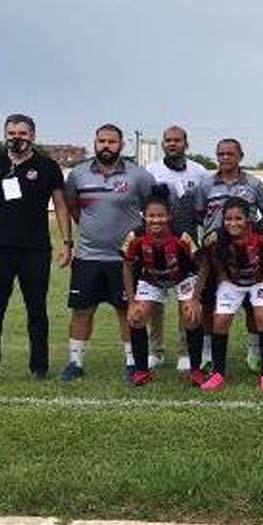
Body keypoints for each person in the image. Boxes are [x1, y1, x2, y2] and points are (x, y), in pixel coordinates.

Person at [0, 113, 73, 386]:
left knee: (37, 311)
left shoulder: (48, 167)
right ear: (5, 135)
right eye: (12, 133)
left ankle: (39, 368)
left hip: (35, 251)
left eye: (23, 133)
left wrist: (66, 242)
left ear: (33, 136)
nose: (17, 138)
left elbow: (61, 206)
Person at [60, 124, 155, 382]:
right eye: (101, 141)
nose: (106, 146)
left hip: (124, 261)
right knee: (81, 311)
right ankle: (75, 363)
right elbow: (73, 209)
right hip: (87, 257)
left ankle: (132, 363)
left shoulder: (139, 176)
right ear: (95, 143)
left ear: (122, 145)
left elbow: (153, 210)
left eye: (112, 142)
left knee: (126, 311)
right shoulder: (78, 175)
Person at [192, 138, 263, 372]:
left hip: (247, 254)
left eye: (230, 154)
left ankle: (254, 352)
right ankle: (208, 352)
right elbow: (199, 215)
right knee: (210, 305)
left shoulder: (253, 184)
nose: (225, 158)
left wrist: (255, 230)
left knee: (252, 306)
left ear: (240, 156)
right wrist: (212, 237)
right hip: (216, 255)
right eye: (221, 154)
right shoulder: (205, 185)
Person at [121, 186, 205, 386]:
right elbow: (126, 266)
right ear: (144, 216)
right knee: (136, 316)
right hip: (151, 278)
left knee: (191, 316)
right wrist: (132, 301)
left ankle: (195, 370)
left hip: (182, 278)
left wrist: (194, 299)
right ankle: (141, 371)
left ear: (169, 216)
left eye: (161, 216)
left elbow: (204, 266)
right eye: (151, 216)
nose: (156, 220)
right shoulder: (135, 236)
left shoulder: (181, 236)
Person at [145, 125, 209, 373]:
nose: (172, 144)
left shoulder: (199, 171)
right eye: (168, 140)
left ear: (186, 143)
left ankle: (184, 351)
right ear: (163, 144)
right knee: (155, 301)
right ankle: (155, 351)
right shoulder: (150, 172)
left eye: (177, 140)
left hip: (186, 246)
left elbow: (203, 209)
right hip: (157, 245)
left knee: (186, 300)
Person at [200, 197, 263, 392]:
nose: (233, 223)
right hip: (233, 282)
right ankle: (218, 373)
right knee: (219, 320)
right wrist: (220, 275)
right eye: (228, 219)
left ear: (248, 219)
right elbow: (209, 255)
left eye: (238, 219)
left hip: (259, 281)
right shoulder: (215, 237)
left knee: (262, 317)